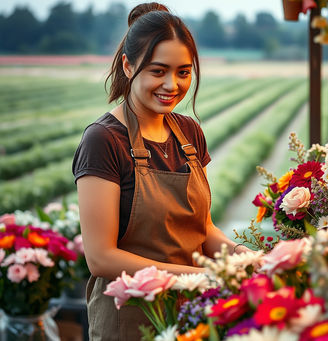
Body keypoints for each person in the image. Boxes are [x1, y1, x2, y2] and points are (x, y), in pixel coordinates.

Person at [72, 3, 249, 339]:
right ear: (128, 65)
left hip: (191, 310)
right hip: (131, 317)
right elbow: (101, 257)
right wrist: (196, 276)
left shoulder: (189, 133)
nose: (172, 84)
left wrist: (243, 258)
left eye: (183, 72)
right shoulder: (104, 140)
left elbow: (202, 230)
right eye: (158, 71)